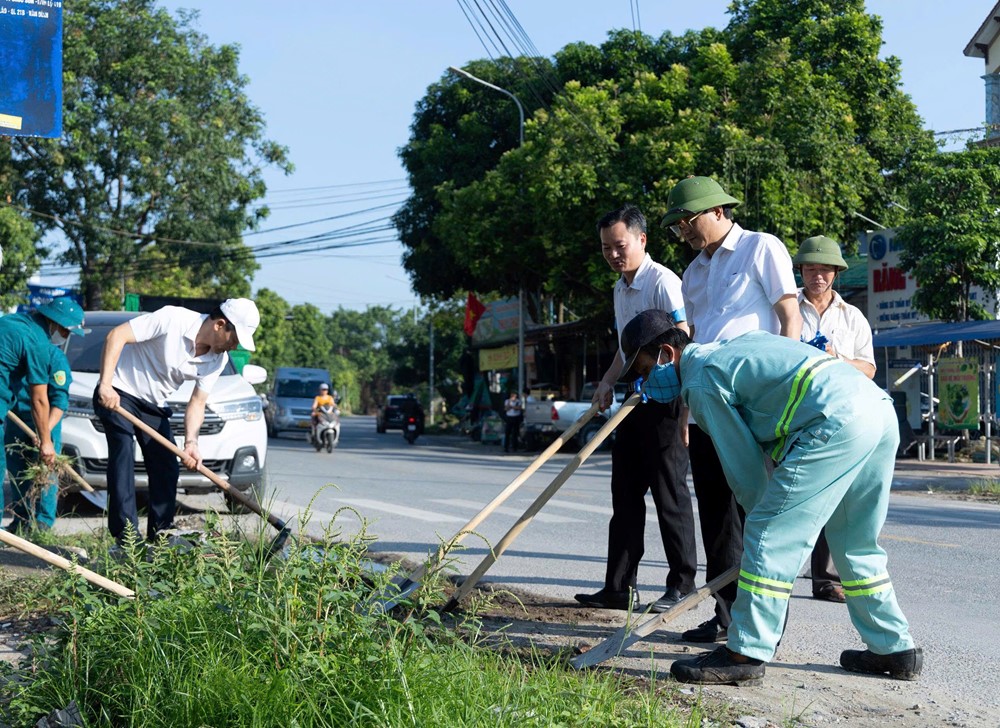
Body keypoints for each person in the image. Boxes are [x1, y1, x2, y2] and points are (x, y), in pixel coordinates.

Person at [619, 308, 922, 685]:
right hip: (876, 412)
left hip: (834, 421)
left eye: (646, 371)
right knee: (854, 542)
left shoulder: (700, 382)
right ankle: (893, 647)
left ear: (667, 353)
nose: (647, 384)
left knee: (767, 530)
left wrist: (765, 526)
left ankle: (744, 650)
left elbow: (745, 471)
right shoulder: (735, 346)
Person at [661, 175, 802, 642]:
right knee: (718, 515)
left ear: (718, 211)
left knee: (757, 514)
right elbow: (695, 343)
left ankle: (763, 622)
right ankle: (726, 615)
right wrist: (686, 410)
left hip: (754, 403)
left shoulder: (762, 248)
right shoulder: (692, 275)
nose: (684, 232)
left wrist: (787, 387)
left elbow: (789, 316)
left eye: (688, 221)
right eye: (678, 226)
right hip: (707, 407)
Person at [574, 203, 697, 613]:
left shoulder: (663, 281)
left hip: (666, 400)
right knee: (624, 497)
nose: (613, 254)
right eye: (606, 247)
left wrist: (672, 390)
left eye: (620, 245)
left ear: (642, 240)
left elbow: (683, 335)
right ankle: (618, 587)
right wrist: (607, 383)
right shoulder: (618, 288)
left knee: (670, 495)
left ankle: (682, 584)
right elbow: (624, 352)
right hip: (633, 400)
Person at [93, 299, 259, 545]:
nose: (234, 347)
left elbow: (197, 402)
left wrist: (191, 442)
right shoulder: (173, 319)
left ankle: (162, 537)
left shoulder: (217, 360)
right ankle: (126, 537)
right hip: (119, 391)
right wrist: (105, 384)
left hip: (153, 405)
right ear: (220, 325)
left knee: (167, 467)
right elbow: (116, 336)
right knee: (123, 451)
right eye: (234, 339)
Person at [794, 235, 876, 603]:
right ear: (802, 270)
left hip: (838, 417)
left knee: (836, 498)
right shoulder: (787, 308)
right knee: (781, 495)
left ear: (836, 273)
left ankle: (827, 579)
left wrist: (835, 358)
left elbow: (869, 368)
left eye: (824, 269)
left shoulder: (852, 316)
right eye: (811, 269)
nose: (818, 276)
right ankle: (768, 572)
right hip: (792, 416)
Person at [0, 297, 86, 528]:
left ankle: (42, 524)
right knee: (14, 470)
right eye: (66, 331)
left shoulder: (10, 323)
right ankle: (19, 522)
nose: (66, 338)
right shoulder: (35, 340)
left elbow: (56, 400)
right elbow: (37, 398)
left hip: (43, 421)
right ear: (55, 323)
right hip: (16, 415)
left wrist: (45, 434)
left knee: (46, 475)